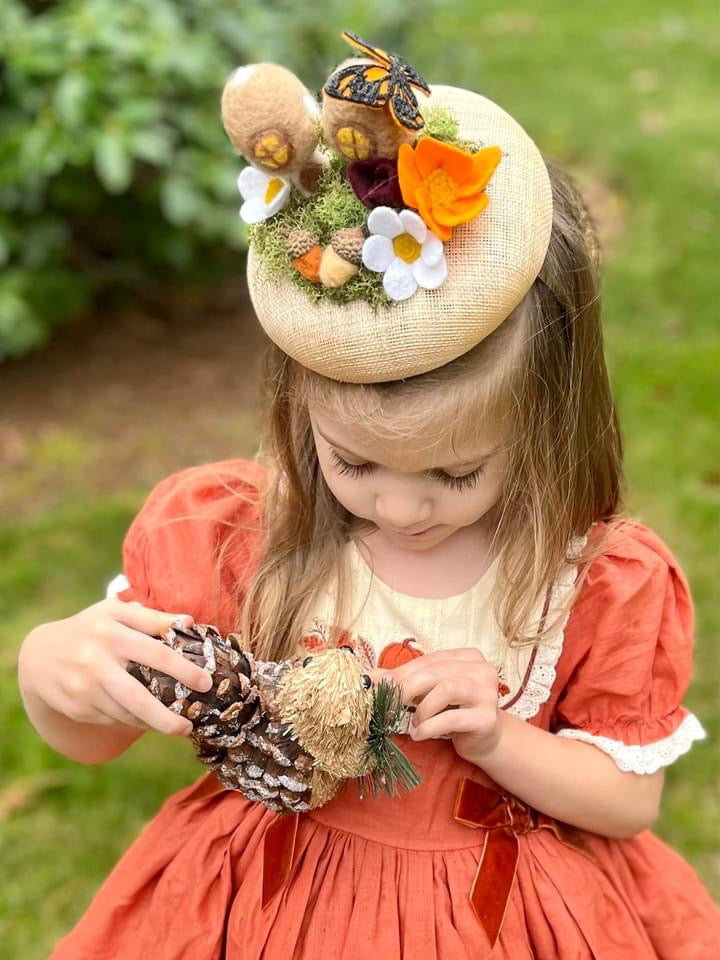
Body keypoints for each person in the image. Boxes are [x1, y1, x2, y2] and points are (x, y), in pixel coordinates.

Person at [18, 33, 719, 960]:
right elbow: (96, 735)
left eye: (454, 474)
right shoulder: (238, 536)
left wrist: (500, 740)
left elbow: (629, 802)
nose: (399, 508)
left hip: (497, 916)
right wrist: (51, 668)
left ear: (548, 426)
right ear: (298, 409)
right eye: (355, 465)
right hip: (268, 908)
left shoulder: (590, 582)